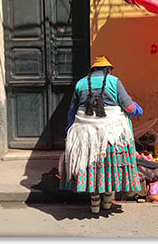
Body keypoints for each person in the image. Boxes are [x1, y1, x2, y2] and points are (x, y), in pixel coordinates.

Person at [59, 55, 143, 214]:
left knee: (92, 166)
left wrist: (69, 131)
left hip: (85, 134)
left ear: (92, 71)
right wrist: (139, 111)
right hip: (112, 135)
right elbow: (130, 107)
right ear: (108, 70)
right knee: (108, 167)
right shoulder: (114, 81)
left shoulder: (81, 83)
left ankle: (94, 201)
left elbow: (72, 111)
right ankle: (107, 199)